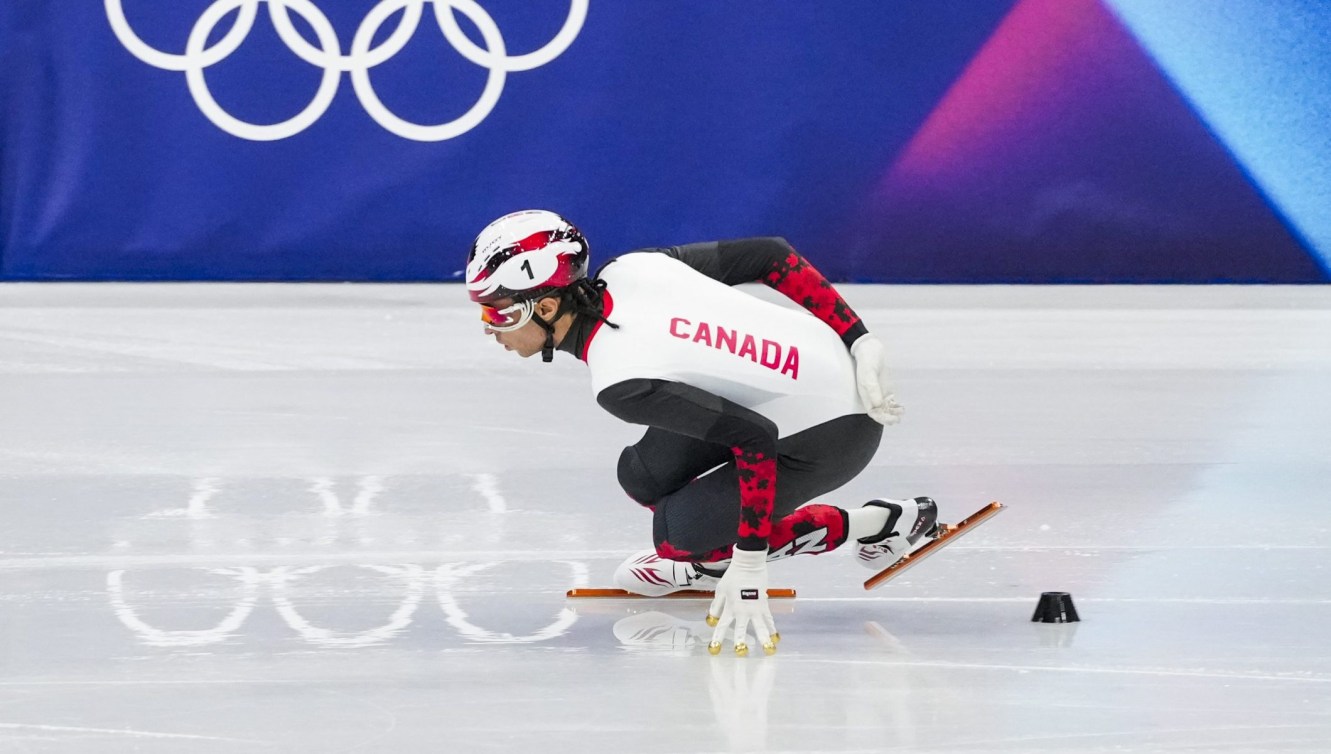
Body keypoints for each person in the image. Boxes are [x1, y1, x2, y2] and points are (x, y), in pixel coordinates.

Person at [465, 209, 937, 657]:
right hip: (815, 375)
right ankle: (714, 558)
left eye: (496, 314)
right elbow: (771, 255)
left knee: (679, 537)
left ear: (546, 306)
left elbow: (755, 437)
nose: (489, 330)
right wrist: (856, 338)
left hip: (833, 432)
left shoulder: (619, 379)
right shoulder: (633, 268)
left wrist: (748, 562)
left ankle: (879, 523)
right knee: (642, 475)